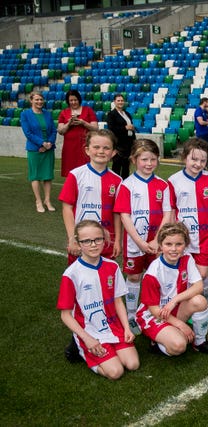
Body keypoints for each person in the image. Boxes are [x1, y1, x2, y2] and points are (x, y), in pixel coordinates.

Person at [57, 220, 139, 380]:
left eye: (97, 239)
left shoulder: (112, 267)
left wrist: (127, 328)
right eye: (86, 241)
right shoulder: (71, 274)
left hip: (113, 327)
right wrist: (87, 339)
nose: (93, 245)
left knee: (133, 364)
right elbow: (65, 315)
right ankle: (80, 348)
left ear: (104, 240)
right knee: (115, 372)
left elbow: (118, 301)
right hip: (89, 331)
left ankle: (110, 349)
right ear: (78, 243)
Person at [136, 222, 208, 356]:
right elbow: (154, 309)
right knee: (179, 346)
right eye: (168, 244)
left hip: (173, 307)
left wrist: (175, 300)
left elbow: (199, 286)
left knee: (199, 301)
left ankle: (200, 343)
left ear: (185, 245)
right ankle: (156, 341)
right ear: (160, 245)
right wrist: (180, 324)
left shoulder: (187, 258)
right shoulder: (153, 273)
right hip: (152, 315)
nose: (174, 249)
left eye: (179, 244)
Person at [114, 139, 172, 330]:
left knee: (154, 277)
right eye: (144, 159)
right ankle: (131, 315)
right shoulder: (127, 185)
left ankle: (149, 311)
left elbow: (167, 214)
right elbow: (125, 217)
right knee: (134, 277)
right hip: (134, 244)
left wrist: (156, 240)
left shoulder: (162, 185)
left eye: (153, 159)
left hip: (157, 244)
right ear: (133, 160)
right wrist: (139, 241)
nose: (148, 164)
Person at [168, 137, 208, 307]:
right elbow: (171, 210)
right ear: (185, 158)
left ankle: (204, 307)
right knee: (184, 273)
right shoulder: (174, 180)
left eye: (202, 160)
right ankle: (186, 306)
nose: (198, 164)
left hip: (204, 236)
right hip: (183, 238)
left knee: (202, 274)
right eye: (194, 159)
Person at [59, 129, 122, 265]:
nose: (101, 151)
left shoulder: (117, 180)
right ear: (87, 150)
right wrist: (72, 238)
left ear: (113, 153)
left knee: (105, 280)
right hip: (82, 239)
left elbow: (117, 213)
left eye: (106, 148)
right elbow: (67, 208)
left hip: (107, 240)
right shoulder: (76, 175)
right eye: (96, 147)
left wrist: (117, 240)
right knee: (79, 279)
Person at [20, 91, 57, 213]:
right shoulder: (25, 114)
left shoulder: (48, 114)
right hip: (34, 149)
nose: (39, 102)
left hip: (48, 148)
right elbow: (28, 133)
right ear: (31, 100)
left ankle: (47, 200)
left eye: (41, 99)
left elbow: (53, 131)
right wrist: (41, 143)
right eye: (36, 100)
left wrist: (48, 144)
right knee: (35, 176)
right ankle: (38, 201)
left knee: (47, 176)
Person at [57, 89, 98, 177]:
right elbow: (60, 131)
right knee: (70, 171)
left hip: (85, 145)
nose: (73, 102)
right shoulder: (64, 112)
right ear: (68, 101)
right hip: (69, 146)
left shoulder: (88, 110)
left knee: (86, 170)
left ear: (79, 99)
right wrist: (69, 124)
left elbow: (95, 128)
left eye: (75, 100)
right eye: (71, 100)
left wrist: (83, 123)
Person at [106, 93, 136, 179]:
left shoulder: (127, 114)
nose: (120, 102)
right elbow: (111, 129)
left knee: (126, 167)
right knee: (117, 167)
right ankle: (114, 185)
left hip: (128, 144)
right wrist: (125, 127)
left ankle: (125, 185)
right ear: (114, 102)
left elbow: (130, 127)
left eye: (122, 100)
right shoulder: (111, 114)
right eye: (118, 100)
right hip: (119, 144)